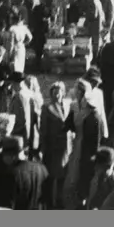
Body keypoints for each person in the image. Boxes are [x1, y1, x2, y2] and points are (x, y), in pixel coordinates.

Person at [62, 78, 109, 209]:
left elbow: (95, 138)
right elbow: (68, 124)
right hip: (77, 142)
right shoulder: (74, 106)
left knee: (83, 174)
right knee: (74, 173)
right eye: (76, 90)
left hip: (85, 147)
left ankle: (81, 201)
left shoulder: (93, 112)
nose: (76, 93)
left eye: (78, 91)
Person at [40, 80, 72, 209]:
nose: (57, 95)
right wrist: (43, 148)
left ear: (63, 93)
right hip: (53, 147)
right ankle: (50, 203)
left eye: (59, 92)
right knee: (52, 176)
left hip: (66, 148)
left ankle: (59, 201)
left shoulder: (67, 105)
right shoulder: (47, 108)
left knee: (63, 176)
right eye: (54, 92)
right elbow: (43, 130)